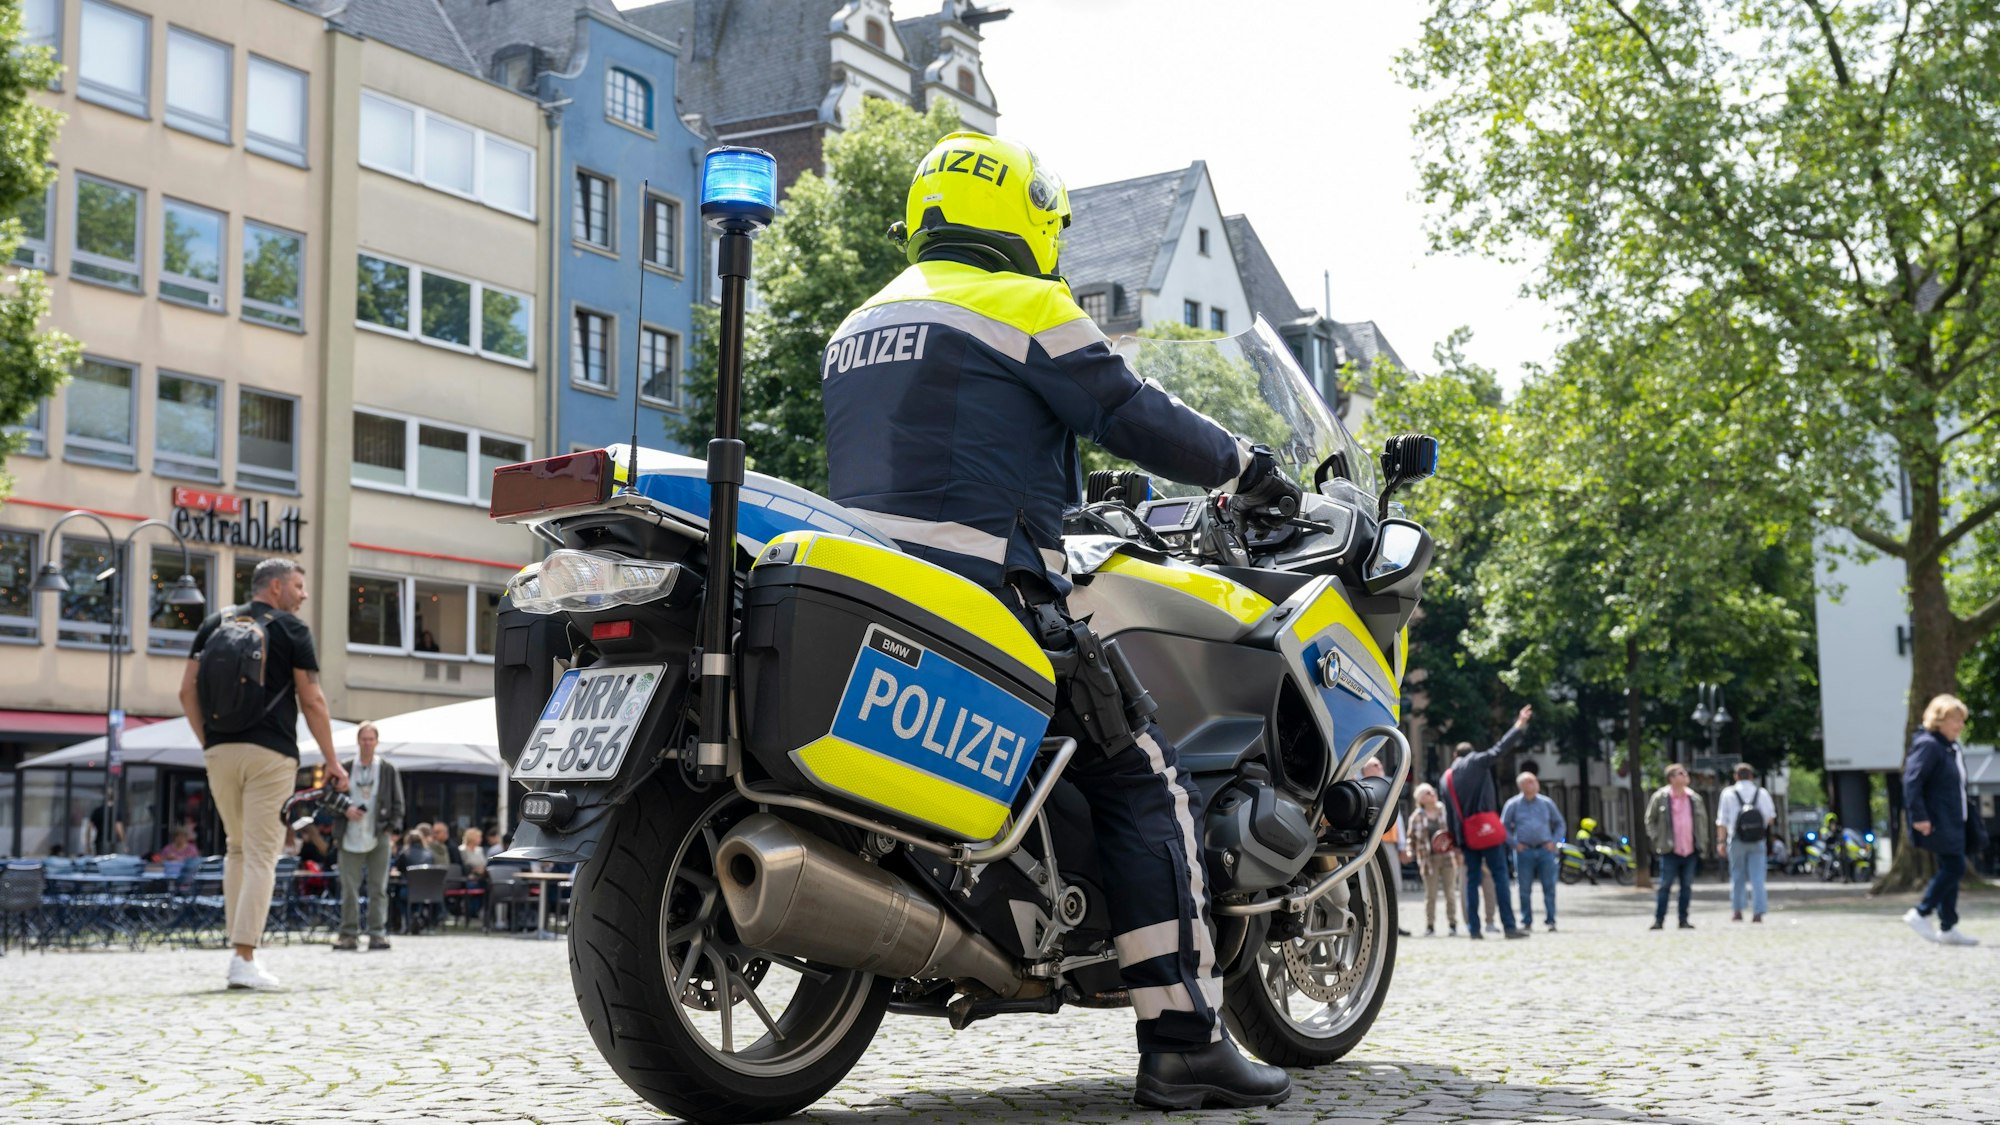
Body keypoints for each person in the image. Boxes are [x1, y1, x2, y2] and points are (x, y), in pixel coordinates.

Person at [820, 131, 1301, 1110]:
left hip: (871, 595)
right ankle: (1183, 1037)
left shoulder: (857, 323)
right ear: (1025, 216)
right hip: (990, 601)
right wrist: (1246, 465)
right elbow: (1131, 410)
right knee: (1145, 775)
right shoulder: (1023, 303)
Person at [180, 557, 347, 991]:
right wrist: (331, 761)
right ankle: (244, 959)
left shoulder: (214, 624)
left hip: (219, 751)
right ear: (275, 587)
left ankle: (239, 952)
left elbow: (185, 691)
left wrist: (209, 742)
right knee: (260, 855)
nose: (303, 595)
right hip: (270, 754)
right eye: (298, 586)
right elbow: (312, 700)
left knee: (236, 849)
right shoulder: (292, 630)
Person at [1443, 707, 1533, 940]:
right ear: (1471, 752)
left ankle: (1474, 930)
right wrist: (1519, 725)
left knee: (1471, 881)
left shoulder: (1446, 778)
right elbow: (1500, 749)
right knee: (1500, 877)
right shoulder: (1477, 761)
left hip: (1466, 836)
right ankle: (1509, 926)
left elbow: (1450, 815)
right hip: (1488, 831)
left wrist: (1456, 843)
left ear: (1455, 755)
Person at [1903, 695, 1986, 946]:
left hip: (1954, 819)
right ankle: (1921, 912)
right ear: (1938, 720)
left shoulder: (1950, 748)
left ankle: (1948, 926)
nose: (1960, 725)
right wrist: (1919, 817)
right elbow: (1912, 781)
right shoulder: (1929, 745)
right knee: (1955, 866)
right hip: (1938, 819)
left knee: (1950, 867)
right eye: (1955, 720)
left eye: (1962, 720)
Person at [335, 721, 405, 952]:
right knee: (349, 889)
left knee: (378, 888)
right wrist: (345, 809)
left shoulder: (387, 769)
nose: (367, 743)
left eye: (370, 739)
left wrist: (391, 829)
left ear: (376, 742)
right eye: (363, 739)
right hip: (349, 835)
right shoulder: (345, 767)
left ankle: (377, 933)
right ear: (358, 741)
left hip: (378, 834)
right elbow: (329, 798)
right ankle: (348, 934)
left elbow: (398, 803)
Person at [1646, 764, 1710, 930]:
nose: (1685, 775)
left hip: (1690, 849)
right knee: (1665, 885)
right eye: (1681, 773)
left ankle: (1683, 920)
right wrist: (1657, 838)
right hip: (1669, 850)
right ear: (1671, 778)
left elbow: (1702, 823)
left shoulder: (1694, 798)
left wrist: (1702, 843)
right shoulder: (1660, 797)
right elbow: (1650, 820)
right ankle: (1659, 920)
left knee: (1686, 887)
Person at [1501, 771, 1565, 932]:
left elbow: (1560, 823)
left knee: (1549, 887)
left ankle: (1551, 920)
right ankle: (1526, 920)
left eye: (1535, 781)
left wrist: (1554, 842)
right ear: (1521, 786)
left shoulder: (1547, 803)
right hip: (1524, 851)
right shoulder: (1513, 804)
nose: (1534, 785)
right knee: (1524, 888)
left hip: (1545, 850)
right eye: (1530, 782)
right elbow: (1503, 827)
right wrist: (1514, 844)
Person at [1715, 763, 1775, 923]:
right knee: (1758, 877)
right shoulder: (1761, 793)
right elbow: (1770, 818)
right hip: (1757, 840)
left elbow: (1722, 821)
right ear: (1751, 776)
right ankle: (1758, 912)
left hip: (1736, 839)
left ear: (1735, 776)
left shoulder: (1728, 793)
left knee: (1737, 875)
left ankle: (1737, 910)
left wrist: (1721, 842)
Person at [1407, 783, 1461, 936]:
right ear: (1421, 799)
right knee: (1430, 895)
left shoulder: (1444, 810)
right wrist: (1410, 852)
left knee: (1450, 892)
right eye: (1428, 793)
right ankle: (1430, 926)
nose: (1432, 794)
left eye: (1432, 791)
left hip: (1448, 856)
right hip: (1428, 859)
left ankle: (1452, 924)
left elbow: (1454, 830)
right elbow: (1411, 838)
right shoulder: (1416, 816)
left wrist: (1458, 849)